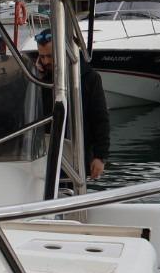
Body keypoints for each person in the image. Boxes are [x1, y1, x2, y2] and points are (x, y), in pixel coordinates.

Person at [34, 30, 109, 179]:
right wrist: (38, 80)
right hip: (46, 154)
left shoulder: (89, 78)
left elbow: (100, 119)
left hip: (77, 152)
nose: (46, 61)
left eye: (50, 56)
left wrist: (100, 156)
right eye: (42, 57)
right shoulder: (39, 78)